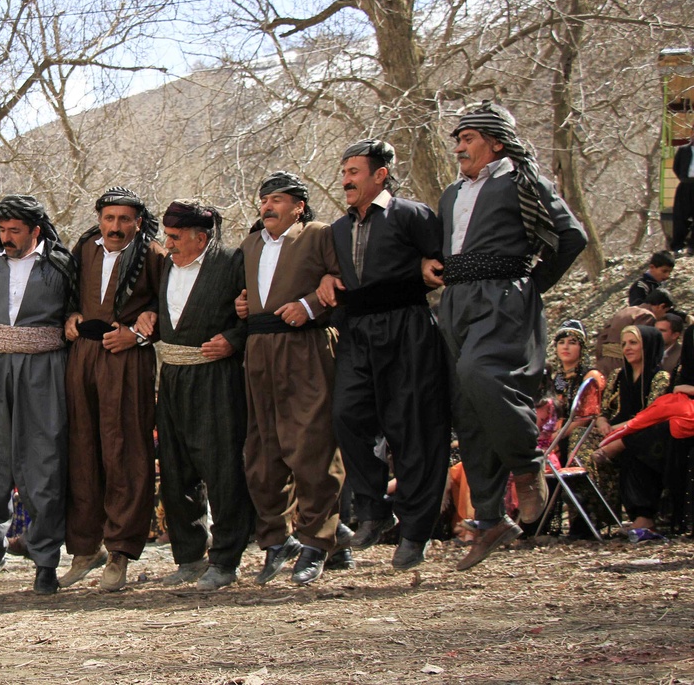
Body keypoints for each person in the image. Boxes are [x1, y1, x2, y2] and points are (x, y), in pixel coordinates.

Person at [423, 102, 587, 570]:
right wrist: (427, 263)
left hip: (503, 298)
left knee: (482, 375)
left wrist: (530, 285)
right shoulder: (451, 194)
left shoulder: (523, 181)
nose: (459, 148)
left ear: (496, 142)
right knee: (468, 409)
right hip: (456, 302)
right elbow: (445, 248)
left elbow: (572, 237)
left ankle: (527, 466)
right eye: (457, 140)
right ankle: (490, 519)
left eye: (468, 139)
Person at [319, 140, 451, 570]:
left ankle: (415, 531)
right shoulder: (337, 229)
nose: (345, 180)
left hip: (407, 328)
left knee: (412, 427)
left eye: (354, 172)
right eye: (343, 172)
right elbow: (335, 273)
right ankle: (373, 510)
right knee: (347, 415)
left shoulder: (412, 215)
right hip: (357, 331)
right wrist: (326, 278)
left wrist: (422, 269)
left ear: (380, 175)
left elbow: (440, 264)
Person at [234, 172, 344, 586]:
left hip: (306, 346)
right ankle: (277, 540)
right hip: (259, 350)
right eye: (264, 199)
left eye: (277, 199)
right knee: (261, 451)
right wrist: (242, 305)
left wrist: (311, 305)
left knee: (311, 445)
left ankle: (316, 541)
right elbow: (247, 294)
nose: (267, 206)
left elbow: (342, 281)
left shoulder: (319, 234)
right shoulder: (250, 244)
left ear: (298, 206)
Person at [0, 195, 76, 597]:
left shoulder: (61, 265)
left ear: (36, 231)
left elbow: (77, 311)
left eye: (15, 230)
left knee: (44, 465)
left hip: (45, 370)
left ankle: (45, 562)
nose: (6, 237)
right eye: (2, 230)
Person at [60, 186, 166, 592]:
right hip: (83, 357)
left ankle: (120, 550)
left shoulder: (152, 254)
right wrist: (71, 316)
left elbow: (169, 305)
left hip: (125, 359)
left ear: (137, 222)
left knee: (124, 451)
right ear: (99, 219)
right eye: (109, 218)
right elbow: (69, 294)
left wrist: (138, 335)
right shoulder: (85, 248)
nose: (116, 227)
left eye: (124, 219)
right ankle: (85, 548)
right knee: (82, 450)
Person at [152, 200, 255, 591]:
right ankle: (190, 556)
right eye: (167, 236)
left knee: (221, 467)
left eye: (176, 237)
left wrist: (233, 340)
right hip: (172, 376)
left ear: (201, 237)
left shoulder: (231, 262)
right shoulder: (165, 265)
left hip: (215, 377)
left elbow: (256, 312)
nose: (169, 244)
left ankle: (226, 560)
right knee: (176, 470)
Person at [592, 326, 671, 540]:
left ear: (648, 346)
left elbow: (652, 415)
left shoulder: (660, 377)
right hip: (612, 431)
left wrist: (618, 431)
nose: (627, 348)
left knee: (634, 442)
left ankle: (643, 516)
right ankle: (589, 519)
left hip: (642, 432)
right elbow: (603, 410)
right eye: (624, 343)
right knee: (581, 445)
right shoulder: (619, 375)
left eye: (633, 343)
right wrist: (602, 422)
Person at [537, 319, 607, 536]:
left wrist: (559, 434)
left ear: (582, 347)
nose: (565, 347)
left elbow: (587, 415)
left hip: (582, 433)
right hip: (558, 433)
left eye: (572, 342)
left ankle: (586, 520)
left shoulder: (589, 376)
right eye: (561, 342)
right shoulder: (557, 379)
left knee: (576, 444)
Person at [595, 289, 674, 378]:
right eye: (665, 311)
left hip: (604, 364)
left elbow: (602, 337)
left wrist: (601, 359)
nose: (663, 315)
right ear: (661, 306)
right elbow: (642, 345)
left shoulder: (625, 311)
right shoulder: (647, 316)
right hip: (623, 365)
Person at [671, 133, 694, 254]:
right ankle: (678, 246)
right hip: (685, 186)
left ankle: (692, 247)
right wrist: (683, 178)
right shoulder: (684, 150)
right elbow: (676, 167)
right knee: (681, 217)